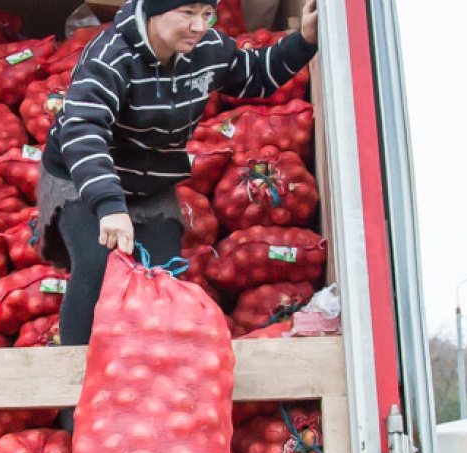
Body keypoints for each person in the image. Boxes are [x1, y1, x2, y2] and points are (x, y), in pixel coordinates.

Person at [36, 0, 320, 347]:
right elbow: (83, 131)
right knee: (98, 266)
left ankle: (142, 375)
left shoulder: (207, 49)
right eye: (186, 13)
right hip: (81, 175)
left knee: (161, 279)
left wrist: (304, 39)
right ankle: (74, 389)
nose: (199, 26)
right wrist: (109, 206)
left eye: (206, 14)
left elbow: (255, 74)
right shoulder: (111, 55)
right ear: (154, 10)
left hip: (150, 178)